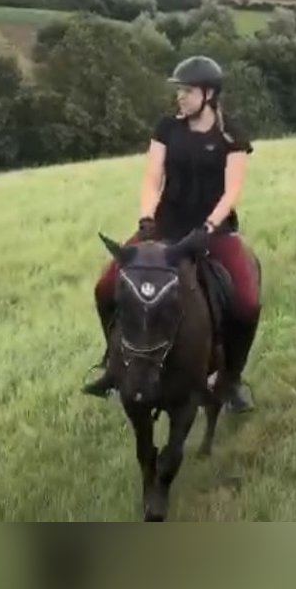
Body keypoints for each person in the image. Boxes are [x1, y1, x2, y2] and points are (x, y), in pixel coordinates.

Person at [83, 55, 261, 412]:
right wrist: (147, 217)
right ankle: (114, 365)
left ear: (209, 94)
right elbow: (152, 178)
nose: (180, 97)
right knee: (105, 286)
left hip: (213, 232)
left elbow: (232, 191)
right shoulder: (167, 128)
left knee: (246, 302)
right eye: (179, 91)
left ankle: (231, 380)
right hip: (165, 227)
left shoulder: (232, 135)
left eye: (187, 91)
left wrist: (209, 226)